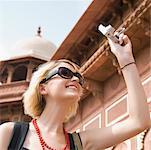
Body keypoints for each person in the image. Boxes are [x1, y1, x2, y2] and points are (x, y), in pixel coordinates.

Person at [0, 34, 150, 150]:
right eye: (65, 72)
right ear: (42, 87)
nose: (75, 79)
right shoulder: (11, 133)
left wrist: (126, 59)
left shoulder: (79, 143)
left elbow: (139, 121)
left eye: (79, 77)